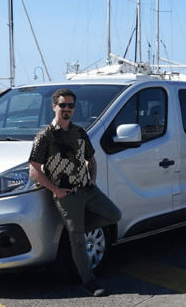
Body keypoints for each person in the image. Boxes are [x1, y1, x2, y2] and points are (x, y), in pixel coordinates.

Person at [29, 88, 122, 297]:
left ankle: (75, 232)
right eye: (63, 105)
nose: (67, 109)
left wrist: (93, 178)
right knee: (79, 239)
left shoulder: (80, 132)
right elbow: (34, 170)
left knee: (114, 215)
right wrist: (55, 190)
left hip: (87, 190)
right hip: (67, 196)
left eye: (71, 105)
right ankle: (89, 281)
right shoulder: (45, 136)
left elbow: (91, 158)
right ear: (54, 107)